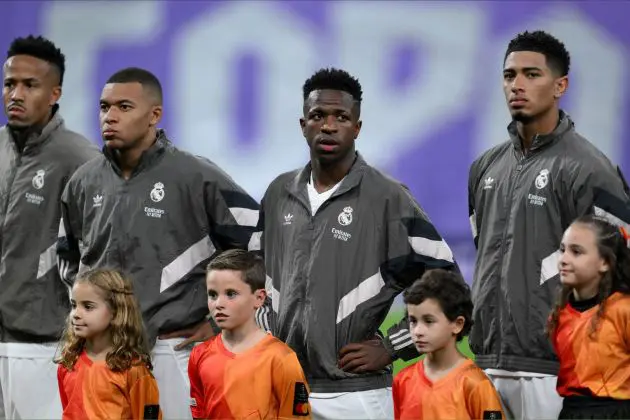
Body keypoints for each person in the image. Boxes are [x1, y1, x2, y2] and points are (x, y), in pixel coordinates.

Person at [251, 67, 458, 419]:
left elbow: (448, 281)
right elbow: (251, 278)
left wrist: (393, 345)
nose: (329, 126)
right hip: (280, 385)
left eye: (341, 117)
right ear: (303, 125)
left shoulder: (387, 198)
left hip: (354, 393)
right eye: (318, 116)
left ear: (357, 127)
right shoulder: (278, 193)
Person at [57, 67, 259, 419]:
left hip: (173, 351)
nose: (110, 117)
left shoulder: (195, 176)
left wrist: (218, 323)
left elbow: (260, 245)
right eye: (104, 107)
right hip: (103, 354)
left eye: (123, 107)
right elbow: (68, 257)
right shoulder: (83, 182)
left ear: (154, 115)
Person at [468, 29, 630, 419]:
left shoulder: (589, 170)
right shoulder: (485, 167)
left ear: (560, 86)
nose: (517, 85)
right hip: (487, 359)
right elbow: (487, 254)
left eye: (531, 74)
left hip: (553, 368)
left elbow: (621, 268)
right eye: (509, 75)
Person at [0, 35, 99, 419]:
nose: (16, 94)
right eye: (10, 83)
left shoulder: (79, 159)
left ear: (55, 92)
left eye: (30, 85)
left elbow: (103, 249)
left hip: (47, 343)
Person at [188, 249, 311, 419]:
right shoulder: (199, 355)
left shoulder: (282, 359)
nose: (219, 304)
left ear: (259, 298)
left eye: (231, 294)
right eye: (213, 294)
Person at [393, 269, 504, 420]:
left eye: (429, 321)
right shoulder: (402, 381)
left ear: (457, 324)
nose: (417, 331)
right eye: (413, 321)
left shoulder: (475, 384)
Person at [548, 216, 630, 419]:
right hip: (572, 413)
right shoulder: (560, 315)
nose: (563, 259)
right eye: (562, 249)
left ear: (605, 262)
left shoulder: (623, 310)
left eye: (576, 252)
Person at [56, 268, 162, 420]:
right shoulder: (68, 364)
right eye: (74, 305)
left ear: (115, 311)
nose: (76, 314)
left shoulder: (133, 370)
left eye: (88, 306)